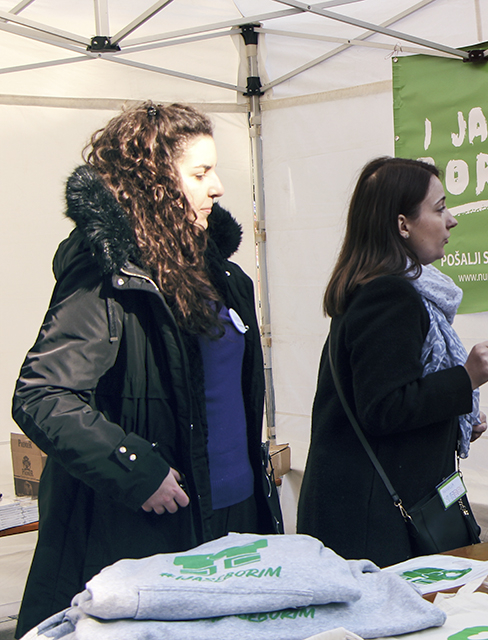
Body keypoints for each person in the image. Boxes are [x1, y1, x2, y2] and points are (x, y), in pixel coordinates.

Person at [12, 102, 277, 636]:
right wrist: (136, 468)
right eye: (200, 173)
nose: (218, 187)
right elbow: (42, 394)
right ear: (153, 181)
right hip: (155, 531)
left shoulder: (225, 277)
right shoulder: (108, 274)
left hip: (238, 518)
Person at [297, 157, 488, 568]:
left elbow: (387, 398)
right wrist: (465, 378)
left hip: (365, 512)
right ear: (402, 224)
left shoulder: (378, 288)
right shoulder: (389, 295)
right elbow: (385, 407)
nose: (451, 220)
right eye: (439, 208)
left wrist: (453, 419)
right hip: (374, 525)